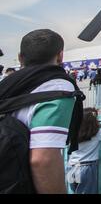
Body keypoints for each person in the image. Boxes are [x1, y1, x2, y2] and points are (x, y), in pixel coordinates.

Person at [0, 29, 84, 193]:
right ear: (60, 56)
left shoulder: (7, 84)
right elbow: (43, 159)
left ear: (20, 57)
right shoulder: (58, 88)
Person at [66, 108, 101, 194]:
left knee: (74, 191)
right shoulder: (96, 132)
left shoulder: (73, 130)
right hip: (86, 168)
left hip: (71, 167)